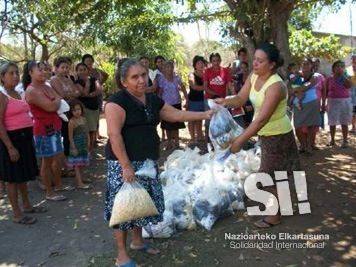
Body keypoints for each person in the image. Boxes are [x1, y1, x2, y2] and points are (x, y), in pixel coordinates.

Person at [104, 59, 213, 267]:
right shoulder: (116, 102)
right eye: (134, 77)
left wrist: (205, 114)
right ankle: (121, 256)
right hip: (123, 164)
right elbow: (114, 135)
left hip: (147, 161)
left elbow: (176, 114)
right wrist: (126, 166)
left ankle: (137, 241)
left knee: (141, 203)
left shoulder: (152, 100)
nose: (141, 80)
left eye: (143, 75)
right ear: (124, 81)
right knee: (123, 208)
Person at [216, 42, 300, 229]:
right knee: (277, 173)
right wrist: (224, 102)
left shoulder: (276, 86)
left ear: (271, 65)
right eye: (255, 60)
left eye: (260, 61)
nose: (255, 64)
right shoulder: (254, 76)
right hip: (266, 134)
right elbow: (240, 98)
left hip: (278, 135)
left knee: (267, 176)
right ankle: (282, 207)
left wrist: (239, 141)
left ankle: (274, 216)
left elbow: (260, 120)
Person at [0, 61, 46, 224]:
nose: (15, 76)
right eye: (10, 73)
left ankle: (27, 205)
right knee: (13, 179)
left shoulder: (19, 93)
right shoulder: (2, 96)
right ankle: (17, 214)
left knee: (23, 177)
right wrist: (10, 147)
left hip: (25, 139)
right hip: (12, 141)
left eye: (16, 72)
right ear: (2, 77)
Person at [24, 61, 68, 201]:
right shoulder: (31, 90)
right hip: (43, 130)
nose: (44, 72)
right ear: (30, 73)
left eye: (45, 69)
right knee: (47, 161)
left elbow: (58, 98)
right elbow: (51, 106)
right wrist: (56, 102)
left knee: (57, 157)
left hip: (54, 126)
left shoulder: (46, 86)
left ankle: (59, 186)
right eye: (40, 70)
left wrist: (55, 101)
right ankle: (49, 192)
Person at [290, 58, 320, 154]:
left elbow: (307, 86)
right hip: (298, 104)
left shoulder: (314, 77)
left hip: (312, 103)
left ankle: (309, 147)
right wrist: (295, 88)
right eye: (303, 64)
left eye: (307, 64)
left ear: (311, 65)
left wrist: (296, 89)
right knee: (298, 125)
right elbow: (288, 87)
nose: (305, 66)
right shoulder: (295, 76)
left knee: (311, 125)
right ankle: (303, 145)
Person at [157, 60, 188, 150]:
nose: (169, 69)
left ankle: (177, 142)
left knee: (176, 124)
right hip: (166, 104)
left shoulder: (177, 78)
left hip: (176, 103)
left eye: (171, 67)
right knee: (167, 125)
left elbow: (183, 88)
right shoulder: (161, 79)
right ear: (164, 69)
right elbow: (160, 92)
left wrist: (186, 98)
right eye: (167, 67)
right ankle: (169, 142)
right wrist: (158, 103)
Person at [322, 60, 353, 147]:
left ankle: (345, 141)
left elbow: (349, 85)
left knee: (344, 121)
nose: (339, 68)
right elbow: (325, 91)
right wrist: (323, 103)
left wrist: (342, 77)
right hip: (332, 101)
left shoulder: (347, 77)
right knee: (332, 121)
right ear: (333, 68)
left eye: (342, 66)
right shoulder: (329, 79)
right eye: (337, 66)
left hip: (345, 102)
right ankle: (332, 140)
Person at [204, 53, 232, 142]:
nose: (216, 63)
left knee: (222, 120)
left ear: (220, 60)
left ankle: (222, 141)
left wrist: (226, 98)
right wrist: (214, 94)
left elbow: (228, 85)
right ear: (211, 61)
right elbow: (205, 87)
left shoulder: (225, 71)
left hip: (222, 100)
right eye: (213, 61)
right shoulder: (207, 71)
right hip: (210, 100)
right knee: (209, 120)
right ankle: (208, 141)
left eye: (217, 60)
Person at [75, 62, 102, 152]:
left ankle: (90, 150)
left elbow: (99, 90)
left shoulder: (94, 79)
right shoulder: (77, 82)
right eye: (80, 70)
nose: (82, 72)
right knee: (86, 130)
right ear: (77, 72)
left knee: (93, 130)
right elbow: (84, 93)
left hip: (95, 107)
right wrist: (87, 83)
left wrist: (90, 95)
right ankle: (86, 150)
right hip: (85, 108)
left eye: (84, 69)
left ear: (88, 70)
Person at [67, 99, 91, 189]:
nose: (77, 112)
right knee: (77, 164)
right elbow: (70, 136)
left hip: (84, 143)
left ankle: (82, 177)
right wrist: (73, 148)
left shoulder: (84, 119)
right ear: (71, 111)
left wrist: (88, 142)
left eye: (78, 109)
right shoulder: (71, 122)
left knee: (82, 162)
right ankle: (79, 183)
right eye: (74, 110)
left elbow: (87, 132)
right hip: (76, 144)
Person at [187, 56, 206, 145]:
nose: (201, 64)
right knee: (192, 119)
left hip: (202, 100)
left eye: (202, 62)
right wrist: (205, 87)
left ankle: (199, 136)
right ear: (195, 65)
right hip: (193, 100)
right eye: (199, 63)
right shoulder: (191, 75)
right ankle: (192, 138)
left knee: (200, 118)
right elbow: (194, 86)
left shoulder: (206, 74)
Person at [231, 61, 254, 128]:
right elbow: (231, 78)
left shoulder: (252, 77)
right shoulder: (238, 76)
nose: (243, 69)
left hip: (250, 100)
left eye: (245, 67)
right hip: (240, 99)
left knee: (250, 117)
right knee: (242, 118)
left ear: (247, 68)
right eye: (241, 68)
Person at [346, 54, 356, 133]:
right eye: (353, 59)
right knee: (352, 110)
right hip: (350, 92)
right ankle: (353, 126)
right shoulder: (348, 70)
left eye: (355, 59)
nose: (354, 60)